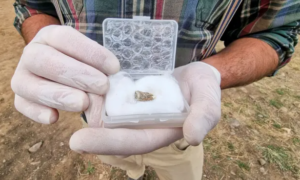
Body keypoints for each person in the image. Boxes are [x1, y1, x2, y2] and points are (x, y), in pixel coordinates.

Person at [11, 0, 299, 180]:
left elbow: (278, 30)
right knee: (114, 157)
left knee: (181, 168)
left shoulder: (165, 94)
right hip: (100, 113)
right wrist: (46, 44)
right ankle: (131, 171)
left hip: (179, 126)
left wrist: (213, 71)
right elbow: (34, 6)